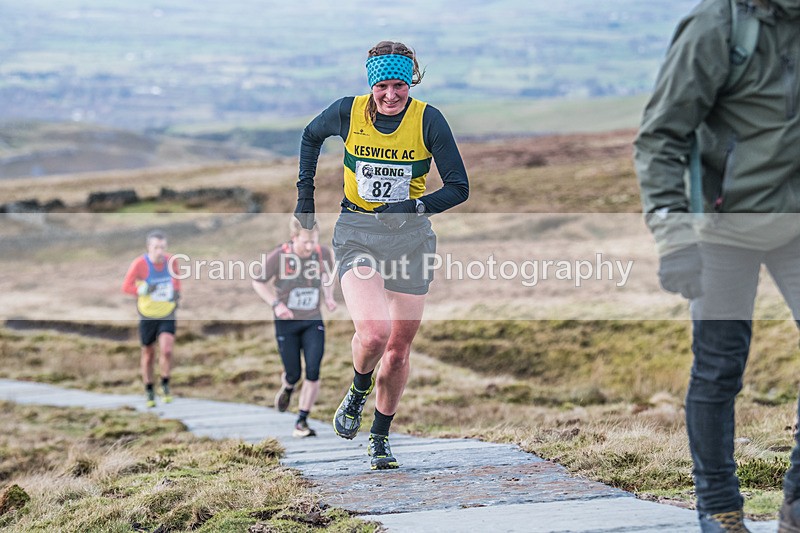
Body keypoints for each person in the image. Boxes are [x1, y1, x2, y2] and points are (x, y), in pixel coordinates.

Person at [634, 0, 800, 530]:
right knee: (719, 368)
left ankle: (796, 500)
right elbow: (660, 137)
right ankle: (720, 509)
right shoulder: (718, 26)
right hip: (723, 228)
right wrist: (675, 238)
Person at [294, 40, 469, 469]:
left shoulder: (429, 120)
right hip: (358, 233)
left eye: (400, 86)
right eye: (383, 87)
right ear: (371, 85)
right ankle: (356, 391)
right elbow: (310, 136)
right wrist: (305, 198)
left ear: (412, 82)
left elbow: (458, 187)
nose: (391, 95)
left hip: (410, 240)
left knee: (398, 350)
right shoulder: (347, 111)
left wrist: (413, 206)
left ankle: (380, 437)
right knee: (374, 334)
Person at [252, 218, 337, 438]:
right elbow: (258, 281)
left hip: (312, 320)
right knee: (293, 372)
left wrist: (328, 297)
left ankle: (301, 421)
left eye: (314, 242)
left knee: (313, 371)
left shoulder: (322, 253)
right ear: (294, 238)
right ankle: (288, 386)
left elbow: (328, 275)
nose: (310, 247)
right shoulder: (280, 256)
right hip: (286, 322)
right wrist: (276, 304)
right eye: (306, 242)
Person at [122, 230, 181, 408]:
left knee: (167, 350)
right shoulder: (140, 264)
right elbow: (126, 286)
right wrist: (141, 290)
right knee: (148, 353)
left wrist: (176, 295)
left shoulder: (172, 261)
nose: (160, 251)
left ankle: (165, 384)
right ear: (149, 247)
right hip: (147, 314)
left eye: (163, 247)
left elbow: (176, 280)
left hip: (167, 313)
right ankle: (149, 388)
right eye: (156, 247)